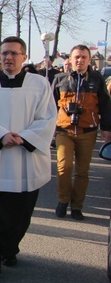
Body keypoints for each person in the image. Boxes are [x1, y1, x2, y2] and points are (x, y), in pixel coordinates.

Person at [0, 37, 57, 274]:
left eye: (15, 53)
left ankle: (9, 248)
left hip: (25, 159)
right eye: (5, 53)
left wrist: (24, 138)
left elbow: (47, 119)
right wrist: (1, 135)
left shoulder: (40, 84)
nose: (9, 58)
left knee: (19, 213)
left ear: (24, 57)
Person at [52, 44, 111, 220]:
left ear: (89, 60)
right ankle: (63, 200)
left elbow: (105, 106)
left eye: (83, 57)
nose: (80, 60)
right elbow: (48, 106)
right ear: (70, 59)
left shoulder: (97, 80)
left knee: (82, 171)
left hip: (88, 131)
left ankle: (77, 206)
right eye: (76, 57)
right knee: (64, 167)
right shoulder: (60, 79)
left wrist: (107, 128)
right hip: (64, 130)